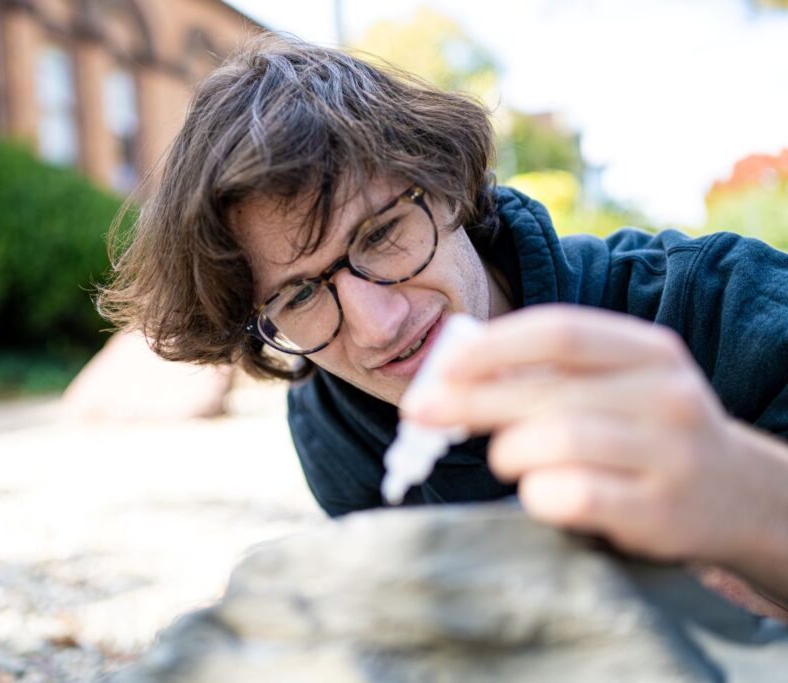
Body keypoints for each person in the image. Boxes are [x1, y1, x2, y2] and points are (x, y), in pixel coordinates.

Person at [100, 35, 788, 616]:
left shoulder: (717, 303)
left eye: (380, 234)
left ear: (449, 183)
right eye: (301, 293)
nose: (377, 325)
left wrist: (740, 494)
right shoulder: (336, 422)